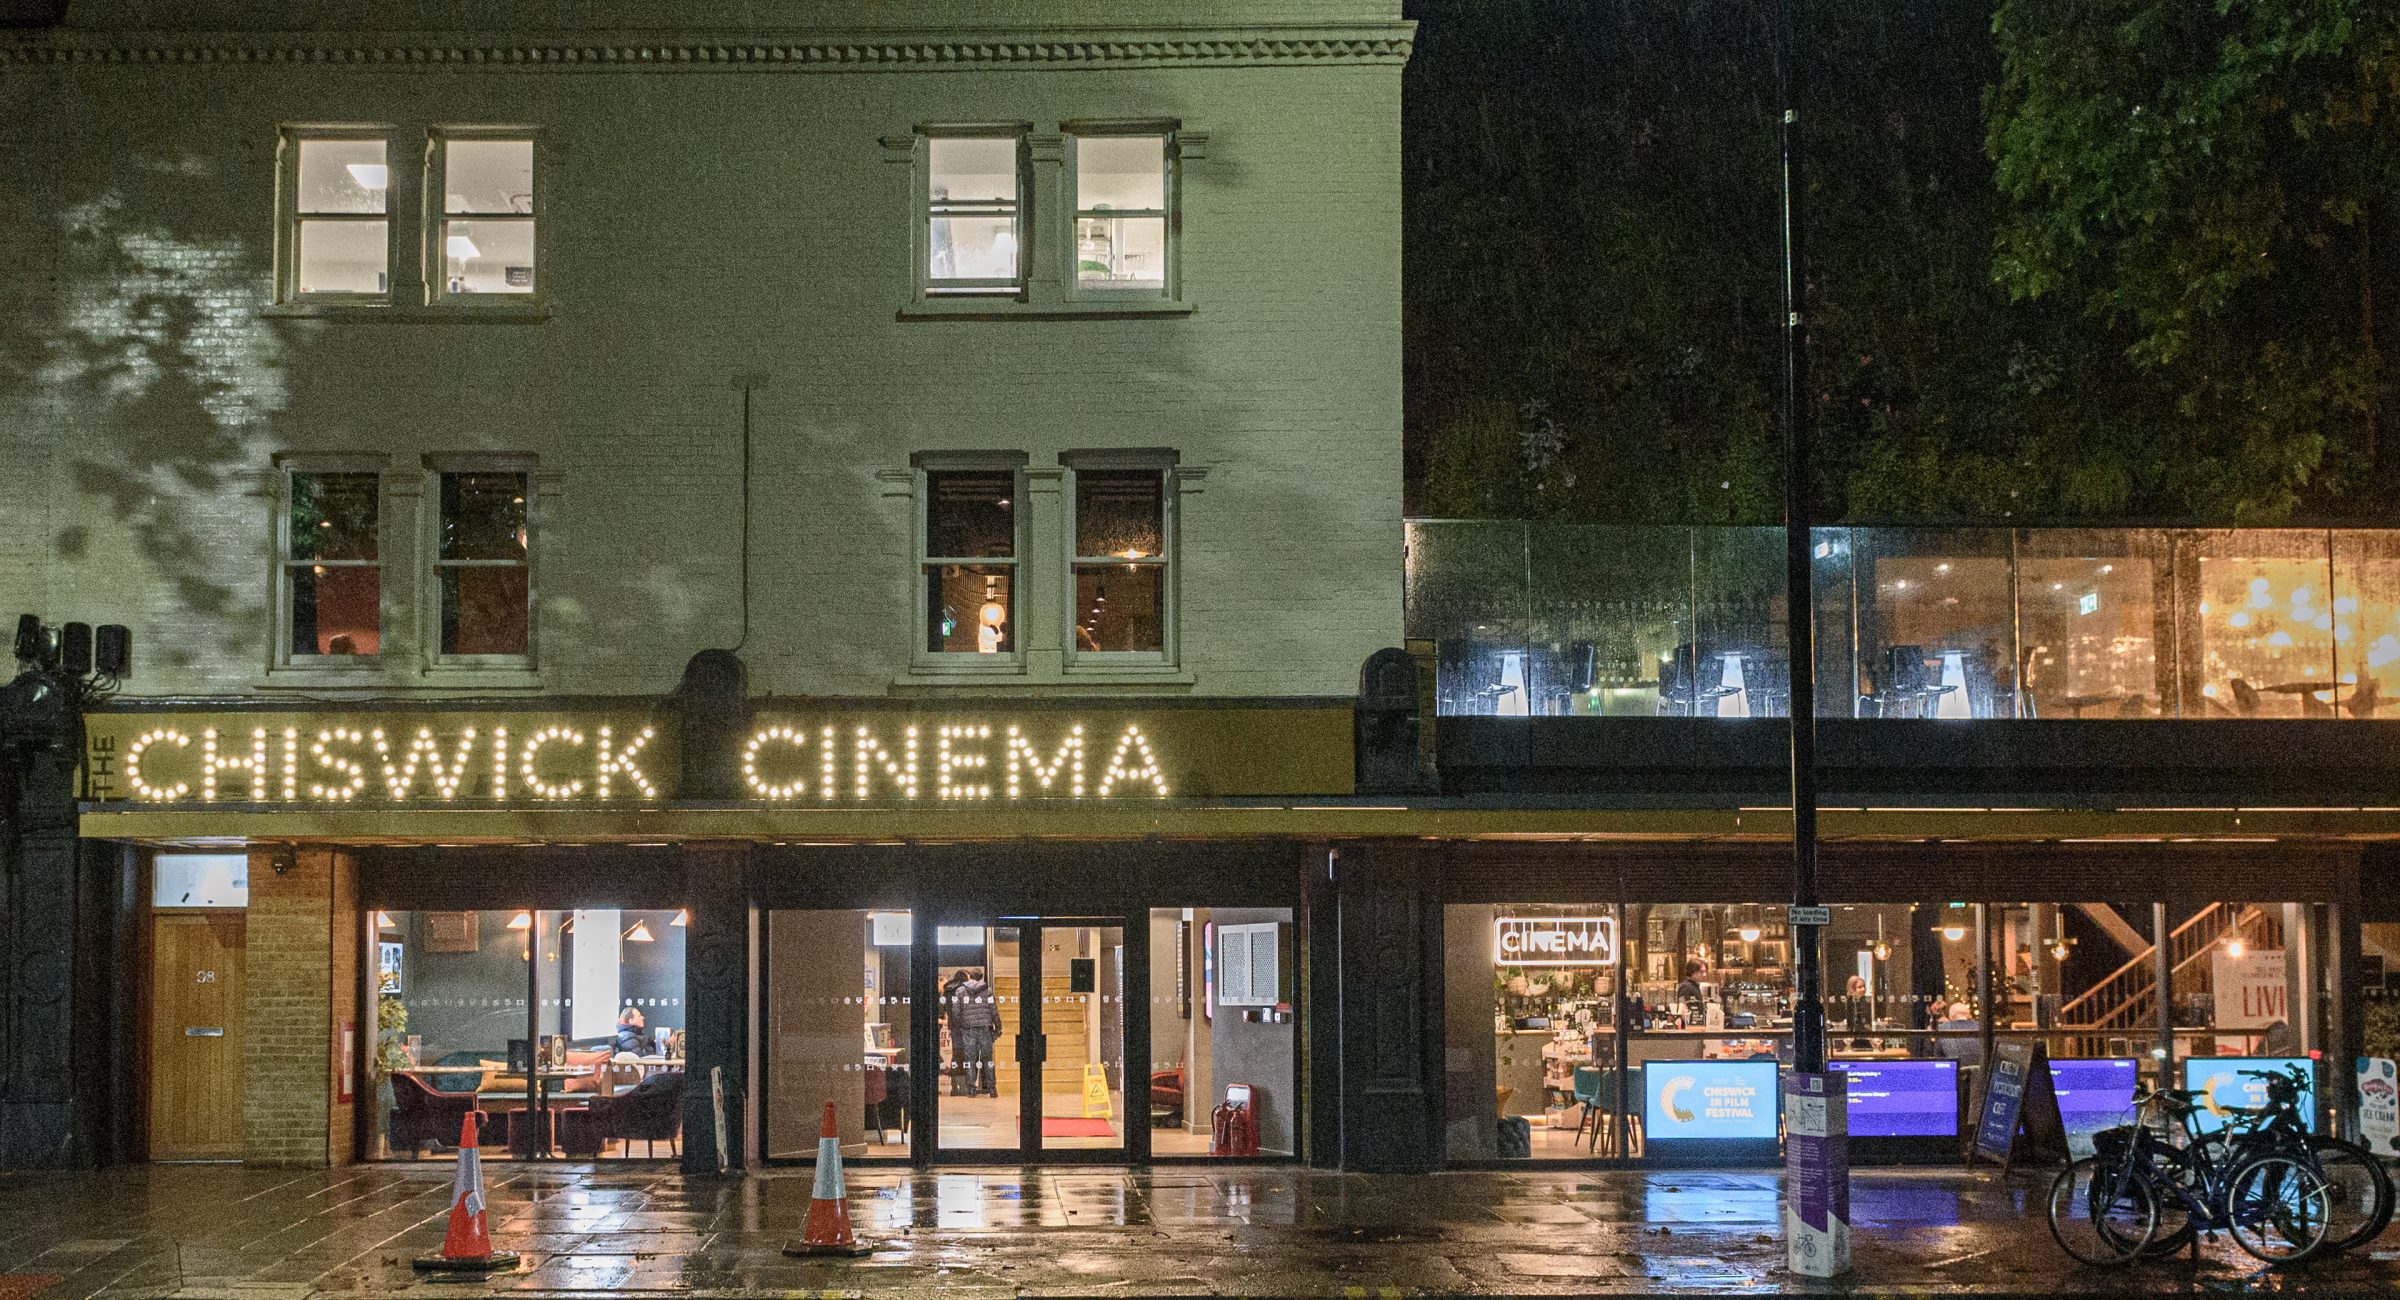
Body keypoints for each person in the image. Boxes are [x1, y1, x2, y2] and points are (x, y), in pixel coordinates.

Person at [949, 968, 1002, 1097]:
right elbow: (993, 1010)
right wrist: (998, 1026)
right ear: (981, 977)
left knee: (970, 1059)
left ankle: (971, 1089)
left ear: (970, 977)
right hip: (985, 1028)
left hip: (968, 1029)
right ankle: (992, 1089)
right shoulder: (988, 991)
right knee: (987, 1059)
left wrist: (959, 1025)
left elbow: (955, 1011)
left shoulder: (960, 991)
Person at [1935, 1001, 1983, 1066]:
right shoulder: (1981, 1027)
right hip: (1981, 1070)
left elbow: (1938, 1058)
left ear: (1951, 1017)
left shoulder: (1943, 1028)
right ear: (1969, 1016)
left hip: (1955, 1070)